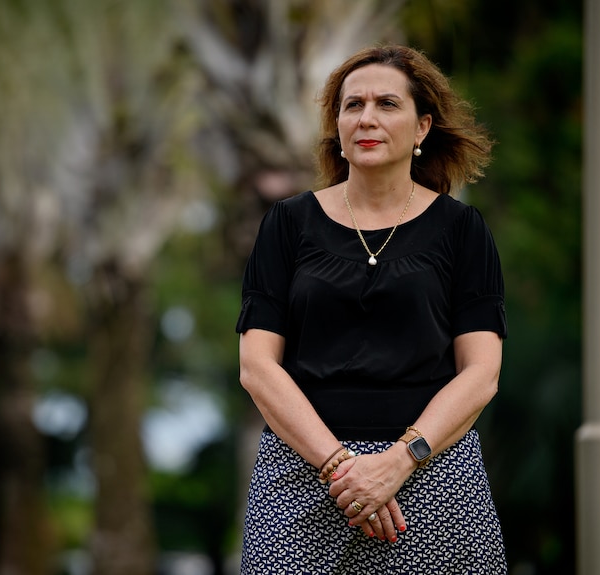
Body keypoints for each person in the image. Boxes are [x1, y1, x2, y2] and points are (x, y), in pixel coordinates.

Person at [235, 45, 507, 573]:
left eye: (387, 104)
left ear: (422, 126)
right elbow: (257, 366)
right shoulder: (287, 224)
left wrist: (398, 462)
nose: (367, 118)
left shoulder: (463, 231)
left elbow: (482, 373)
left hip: (432, 479)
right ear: (336, 125)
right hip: (300, 481)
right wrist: (341, 467)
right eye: (351, 105)